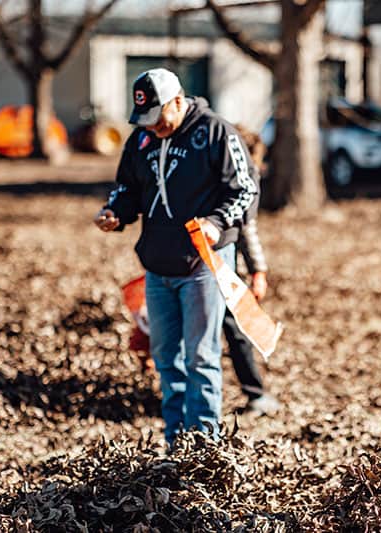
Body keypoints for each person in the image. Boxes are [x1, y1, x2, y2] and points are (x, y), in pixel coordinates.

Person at [94, 68, 259, 446]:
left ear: (179, 102)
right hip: (157, 264)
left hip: (204, 262)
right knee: (166, 356)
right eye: (145, 120)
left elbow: (246, 189)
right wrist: (115, 212)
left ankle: (203, 443)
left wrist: (217, 223)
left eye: (158, 117)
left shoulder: (217, 132)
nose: (153, 127)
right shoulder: (141, 140)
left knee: (201, 355)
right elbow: (128, 188)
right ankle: (175, 438)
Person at [223, 125, 280, 416]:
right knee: (234, 330)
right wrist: (258, 270)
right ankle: (256, 394)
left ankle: (257, 394)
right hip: (225, 268)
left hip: (230, 269)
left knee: (235, 330)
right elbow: (247, 229)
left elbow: (247, 229)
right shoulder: (237, 176)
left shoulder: (239, 178)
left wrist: (257, 269)